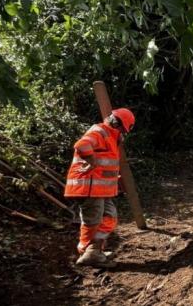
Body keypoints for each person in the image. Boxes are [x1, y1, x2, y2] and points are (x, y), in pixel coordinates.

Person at [64, 108, 135, 267]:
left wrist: (116, 181)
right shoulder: (101, 132)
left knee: (110, 217)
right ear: (119, 125)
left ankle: (94, 251)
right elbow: (82, 145)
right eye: (123, 131)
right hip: (88, 187)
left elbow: (106, 165)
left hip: (99, 190)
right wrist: (91, 160)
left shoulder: (110, 137)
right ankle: (89, 253)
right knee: (93, 221)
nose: (123, 135)